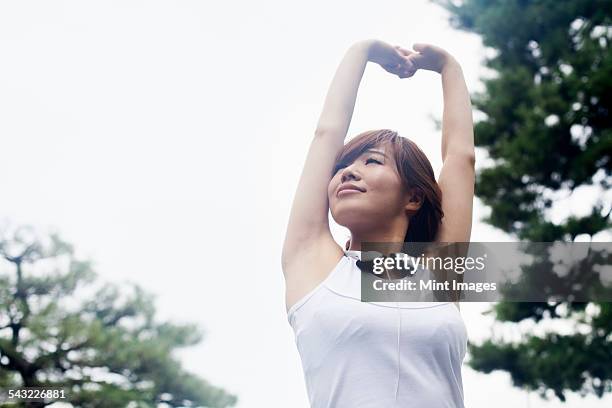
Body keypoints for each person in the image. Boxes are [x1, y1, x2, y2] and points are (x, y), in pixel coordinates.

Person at [281, 39, 475, 407]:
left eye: (371, 162)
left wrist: (449, 68)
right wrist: (362, 51)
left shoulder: (439, 274)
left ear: (413, 197)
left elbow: (460, 159)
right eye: (341, 168)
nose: (348, 172)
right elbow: (327, 134)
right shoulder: (314, 265)